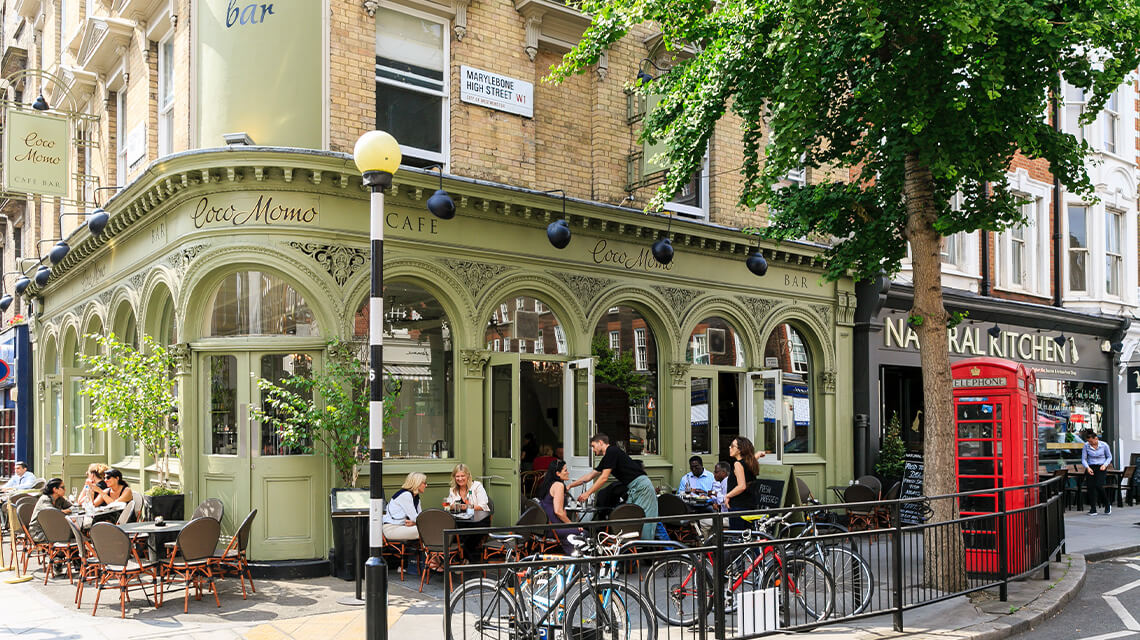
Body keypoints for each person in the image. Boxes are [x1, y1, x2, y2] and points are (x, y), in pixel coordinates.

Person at [569, 433, 658, 540]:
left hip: (641, 488)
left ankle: (647, 551)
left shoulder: (612, 451)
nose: (592, 450)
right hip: (636, 488)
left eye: (593, 446)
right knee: (631, 520)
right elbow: (589, 476)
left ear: (600, 443)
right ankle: (634, 549)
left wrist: (588, 493)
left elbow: (603, 478)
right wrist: (570, 485)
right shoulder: (608, 456)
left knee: (640, 521)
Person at [536, 459, 581, 553]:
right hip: (554, 528)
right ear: (557, 473)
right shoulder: (558, 486)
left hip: (545, 528)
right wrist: (573, 525)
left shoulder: (549, 484)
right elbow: (558, 511)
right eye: (565, 470)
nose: (568, 472)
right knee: (583, 533)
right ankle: (576, 559)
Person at [725, 437, 760, 529]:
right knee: (748, 535)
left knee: (737, 536)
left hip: (738, 506)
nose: (730, 448)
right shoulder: (750, 463)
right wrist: (758, 454)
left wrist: (728, 496)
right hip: (750, 505)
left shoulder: (738, 464)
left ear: (740, 449)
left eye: (732, 446)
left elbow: (742, 486)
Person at [384, 472, 427, 541]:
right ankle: (435, 550)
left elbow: (419, 516)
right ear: (417, 483)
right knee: (427, 530)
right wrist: (416, 522)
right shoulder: (405, 495)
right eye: (424, 483)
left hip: (402, 527)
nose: (426, 485)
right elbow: (415, 518)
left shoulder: (416, 497)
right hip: (392, 528)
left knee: (427, 529)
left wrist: (414, 522)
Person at [29, 478, 71, 543]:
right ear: (55, 489)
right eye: (63, 487)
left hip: (51, 529)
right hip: (39, 532)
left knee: (72, 532)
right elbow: (52, 514)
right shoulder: (45, 499)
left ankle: (66, 552)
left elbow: (71, 506)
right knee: (67, 534)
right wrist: (64, 511)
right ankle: (62, 552)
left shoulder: (59, 498)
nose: (65, 489)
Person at [1082, 430, 1113, 515]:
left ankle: (1107, 504)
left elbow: (1109, 457)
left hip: (1101, 467)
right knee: (1091, 487)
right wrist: (1087, 467)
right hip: (1090, 467)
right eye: (1088, 442)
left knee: (1099, 485)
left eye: (1091, 441)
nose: (1090, 443)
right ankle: (1093, 509)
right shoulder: (1086, 446)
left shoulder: (1104, 445)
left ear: (1096, 438)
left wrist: (1105, 465)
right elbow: (1084, 459)